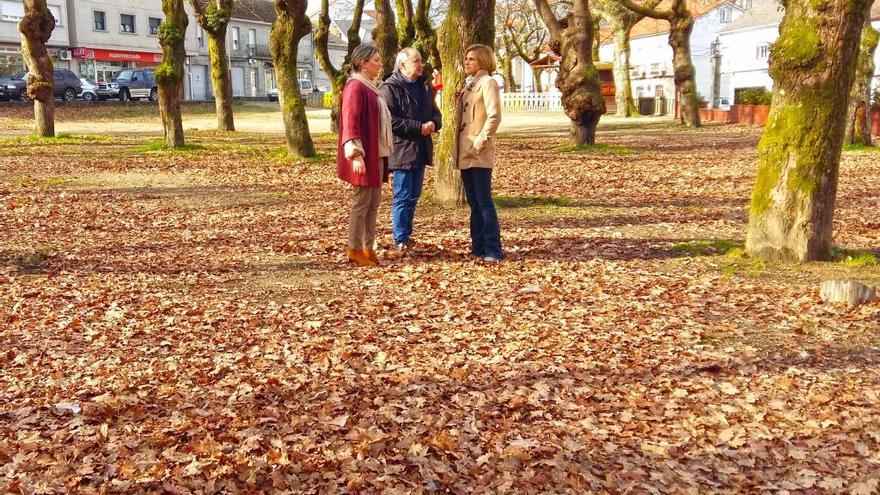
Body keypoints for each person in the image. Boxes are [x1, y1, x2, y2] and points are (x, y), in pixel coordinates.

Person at [380, 48, 442, 252]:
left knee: (414, 196)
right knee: (403, 196)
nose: (420, 64)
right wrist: (418, 127)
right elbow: (391, 121)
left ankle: (407, 234)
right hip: (402, 151)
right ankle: (400, 238)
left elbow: (434, 112)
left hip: (421, 149)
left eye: (421, 61)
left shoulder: (423, 86)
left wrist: (433, 123)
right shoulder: (390, 88)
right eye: (416, 61)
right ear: (402, 65)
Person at [336, 44, 393, 266]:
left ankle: (369, 247)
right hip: (362, 154)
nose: (379, 63)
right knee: (361, 202)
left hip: (375, 153)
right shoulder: (355, 87)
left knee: (373, 202)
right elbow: (350, 121)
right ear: (363, 63)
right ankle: (355, 247)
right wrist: (355, 153)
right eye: (376, 60)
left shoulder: (371, 87)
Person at [454, 44, 503, 262]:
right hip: (465, 151)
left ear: (483, 61)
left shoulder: (488, 83)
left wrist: (481, 142)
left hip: (479, 151)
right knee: (473, 202)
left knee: (484, 201)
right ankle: (478, 246)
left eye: (472, 59)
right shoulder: (469, 85)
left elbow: (494, 116)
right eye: (466, 58)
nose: (467, 62)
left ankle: (493, 249)